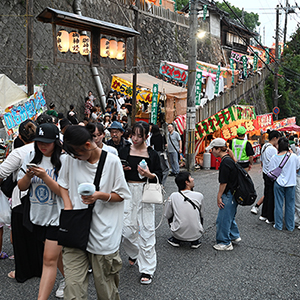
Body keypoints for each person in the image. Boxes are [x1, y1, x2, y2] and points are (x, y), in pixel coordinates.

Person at [58, 125, 131, 300]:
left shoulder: (111, 161)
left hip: (103, 235)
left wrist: (99, 196)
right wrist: (68, 206)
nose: (76, 157)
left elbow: (121, 195)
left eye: (77, 153)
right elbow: (63, 184)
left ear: (88, 145)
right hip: (76, 230)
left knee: (106, 290)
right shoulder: (70, 159)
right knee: (73, 289)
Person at [18, 123, 65, 299]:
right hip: (37, 216)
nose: (42, 146)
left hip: (57, 217)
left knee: (49, 259)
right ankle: (73, 282)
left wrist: (45, 176)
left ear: (56, 141)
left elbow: (63, 192)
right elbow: (21, 187)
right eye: (39, 142)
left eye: (47, 142)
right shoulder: (31, 157)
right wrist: (28, 176)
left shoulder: (64, 161)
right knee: (55, 256)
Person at [0, 119, 45, 282]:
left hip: (23, 198)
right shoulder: (44, 147)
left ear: (20, 136)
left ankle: (23, 271)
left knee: (21, 237)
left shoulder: (19, 152)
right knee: (39, 236)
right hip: (44, 197)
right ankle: (41, 268)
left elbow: (2, 172)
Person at [120, 122, 162, 285]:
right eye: (133, 134)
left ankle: (147, 269)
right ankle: (135, 253)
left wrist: (149, 174)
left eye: (139, 135)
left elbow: (159, 174)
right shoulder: (123, 150)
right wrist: (122, 170)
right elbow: (116, 171)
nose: (135, 138)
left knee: (146, 231)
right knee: (125, 230)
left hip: (145, 192)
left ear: (146, 136)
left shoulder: (152, 154)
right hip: (126, 192)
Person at [206, 138, 240, 251]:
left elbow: (223, 182)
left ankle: (225, 242)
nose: (211, 151)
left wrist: (219, 196)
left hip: (228, 193)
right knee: (229, 216)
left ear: (219, 149)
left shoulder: (225, 162)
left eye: (213, 149)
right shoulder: (229, 159)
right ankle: (234, 235)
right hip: (234, 193)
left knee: (223, 219)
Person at [164, 171, 204, 249]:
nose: (193, 179)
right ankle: (195, 240)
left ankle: (176, 239)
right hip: (196, 234)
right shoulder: (199, 196)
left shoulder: (173, 196)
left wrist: (168, 202)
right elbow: (202, 214)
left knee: (172, 212)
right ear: (187, 182)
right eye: (190, 178)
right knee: (197, 214)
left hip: (178, 233)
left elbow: (167, 215)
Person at [269, 137, 300, 231]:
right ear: (288, 146)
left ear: (278, 146)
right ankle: (290, 226)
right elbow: (297, 168)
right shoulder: (294, 157)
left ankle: (278, 225)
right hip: (291, 183)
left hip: (278, 183)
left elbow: (270, 170)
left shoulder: (274, 157)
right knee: (290, 205)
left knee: (278, 205)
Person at [256, 130, 280, 222]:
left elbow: (262, 160)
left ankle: (264, 214)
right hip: (272, 174)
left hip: (265, 173)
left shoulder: (264, 146)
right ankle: (270, 217)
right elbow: (276, 162)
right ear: (275, 138)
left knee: (267, 194)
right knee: (271, 196)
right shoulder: (273, 149)